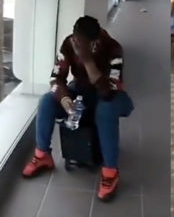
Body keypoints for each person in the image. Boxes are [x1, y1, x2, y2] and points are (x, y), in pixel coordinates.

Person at [22, 16, 134, 202]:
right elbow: (55, 79)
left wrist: (88, 62)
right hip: (80, 88)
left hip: (112, 95)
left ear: (94, 43)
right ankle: (42, 155)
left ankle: (110, 171)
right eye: (75, 41)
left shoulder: (114, 49)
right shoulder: (68, 44)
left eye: (81, 44)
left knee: (105, 111)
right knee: (47, 101)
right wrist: (65, 98)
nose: (76, 46)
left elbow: (110, 91)